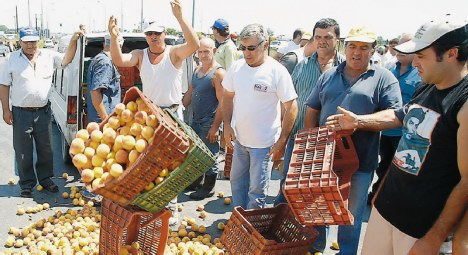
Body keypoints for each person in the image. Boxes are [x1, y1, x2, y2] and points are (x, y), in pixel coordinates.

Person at [323, 17, 467, 255]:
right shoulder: (428, 86)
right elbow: (401, 121)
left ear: (451, 54)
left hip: (420, 229)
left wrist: (434, 238)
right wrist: (358, 122)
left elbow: (467, 184)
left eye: (422, 56)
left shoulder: (463, 103)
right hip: (386, 211)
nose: (414, 62)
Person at [304, 26, 403, 254]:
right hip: (324, 159)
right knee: (319, 209)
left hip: (359, 164)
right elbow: (312, 110)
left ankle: (346, 252)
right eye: (352, 46)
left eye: (363, 47)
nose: (357, 52)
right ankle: (315, 248)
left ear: (373, 50)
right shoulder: (329, 75)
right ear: (344, 47)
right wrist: (313, 144)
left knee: (350, 214)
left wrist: (358, 121)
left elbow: (396, 116)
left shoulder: (384, 78)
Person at [108, 0, 199, 226]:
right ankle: (149, 205)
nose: (153, 37)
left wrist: (179, 16)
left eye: (156, 33)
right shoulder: (140, 55)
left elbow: (194, 45)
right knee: (147, 163)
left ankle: (171, 209)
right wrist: (112, 36)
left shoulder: (174, 53)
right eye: (149, 34)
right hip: (149, 118)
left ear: (164, 34)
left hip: (172, 116)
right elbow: (119, 60)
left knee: (172, 164)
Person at [222, 23, 298, 209]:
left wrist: (282, 140)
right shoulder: (237, 68)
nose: (246, 53)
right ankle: (239, 223)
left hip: (264, 146)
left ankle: (252, 231)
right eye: (243, 48)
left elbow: (292, 107)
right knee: (237, 185)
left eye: (251, 48)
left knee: (256, 193)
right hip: (240, 141)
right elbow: (227, 95)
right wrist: (226, 125)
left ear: (265, 45)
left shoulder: (277, 71)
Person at [0, 27, 83, 198]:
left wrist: (74, 40)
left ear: (38, 41)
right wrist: (6, 110)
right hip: (20, 112)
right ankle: (27, 184)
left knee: (46, 149)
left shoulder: (49, 56)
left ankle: (46, 179)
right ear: (20, 42)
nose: (30, 45)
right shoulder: (11, 59)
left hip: (43, 111)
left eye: (33, 41)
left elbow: (67, 59)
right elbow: (4, 85)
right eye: (27, 41)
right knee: (23, 150)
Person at [275, 18, 345, 205]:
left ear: (337, 38)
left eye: (327, 37)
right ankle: (278, 225)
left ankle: (313, 232)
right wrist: (282, 137)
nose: (322, 41)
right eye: (318, 37)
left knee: (320, 194)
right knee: (287, 184)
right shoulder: (302, 66)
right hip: (298, 138)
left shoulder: (346, 68)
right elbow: (288, 103)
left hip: (331, 143)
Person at [368, 33, 421, 203]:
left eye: (407, 46)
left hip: (407, 133)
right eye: (399, 45)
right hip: (387, 131)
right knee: (384, 165)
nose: (401, 50)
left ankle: (390, 199)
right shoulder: (390, 69)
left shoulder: (421, 73)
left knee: (401, 168)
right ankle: (377, 194)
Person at [182, 38, 225, 200]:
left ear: (214, 51)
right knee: (197, 153)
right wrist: (179, 108)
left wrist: (215, 127)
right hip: (196, 119)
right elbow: (190, 93)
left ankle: (208, 187)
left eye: (206, 51)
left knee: (210, 155)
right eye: (200, 51)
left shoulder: (218, 73)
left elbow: (223, 103)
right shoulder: (197, 70)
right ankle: (197, 181)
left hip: (210, 121)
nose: (202, 55)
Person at [86, 34, 124, 123]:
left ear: (104, 44)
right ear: (119, 46)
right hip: (103, 120)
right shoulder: (105, 62)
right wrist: (105, 120)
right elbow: (95, 92)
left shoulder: (101, 59)